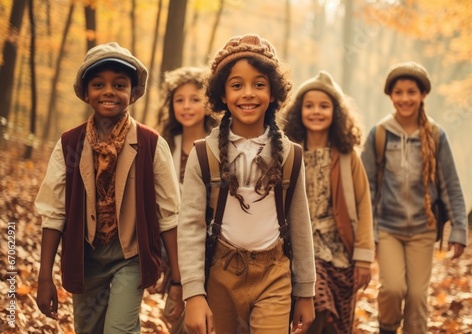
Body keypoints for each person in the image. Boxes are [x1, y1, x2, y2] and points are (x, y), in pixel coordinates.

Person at [34, 42, 183, 334]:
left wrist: (177, 279)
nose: (109, 91)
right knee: (88, 328)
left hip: (131, 256)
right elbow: (53, 212)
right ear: (86, 92)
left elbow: (169, 216)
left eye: (119, 84)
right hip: (86, 256)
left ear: (133, 92)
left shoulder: (151, 144)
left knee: (120, 329)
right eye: (98, 84)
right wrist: (44, 277)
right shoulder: (70, 144)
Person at [177, 34, 316, 334]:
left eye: (259, 84)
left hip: (274, 274)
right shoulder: (204, 155)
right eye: (237, 85)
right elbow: (189, 226)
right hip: (221, 274)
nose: (248, 94)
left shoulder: (291, 155)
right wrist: (193, 293)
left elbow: (300, 224)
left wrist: (305, 290)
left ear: (274, 93)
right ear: (223, 95)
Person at [360, 61, 468, 334]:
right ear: (390, 95)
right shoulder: (380, 134)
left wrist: (459, 230)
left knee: (418, 298)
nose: (405, 98)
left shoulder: (434, 135)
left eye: (411, 92)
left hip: (424, 229)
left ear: (422, 95)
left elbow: (451, 186)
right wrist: (366, 232)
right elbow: (366, 188)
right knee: (393, 289)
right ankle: (387, 327)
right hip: (388, 229)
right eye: (398, 92)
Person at [283, 71, 374, 333]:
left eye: (324, 106)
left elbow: (363, 207)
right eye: (309, 106)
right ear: (299, 111)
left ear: (336, 113)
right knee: (315, 304)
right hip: (300, 248)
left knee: (336, 323)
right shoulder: (289, 153)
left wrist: (364, 258)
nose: (316, 112)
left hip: (339, 251)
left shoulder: (347, 158)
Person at [155, 66, 218, 333]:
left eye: (195, 99)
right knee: (176, 314)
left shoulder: (219, 143)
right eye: (179, 100)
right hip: (172, 242)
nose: (187, 106)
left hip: (213, 241)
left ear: (207, 103)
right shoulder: (165, 144)